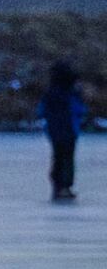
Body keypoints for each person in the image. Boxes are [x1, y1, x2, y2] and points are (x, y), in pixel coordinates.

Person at [49, 60, 84, 205]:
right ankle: (64, 187)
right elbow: (79, 110)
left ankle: (59, 186)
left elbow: (42, 111)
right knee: (67, 159)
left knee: (58, 158)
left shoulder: (51, 92)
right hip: (68, 130)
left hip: (56, 131)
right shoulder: (71, 93)